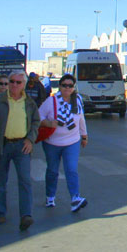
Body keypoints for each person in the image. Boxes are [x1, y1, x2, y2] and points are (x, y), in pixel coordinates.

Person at [0, 70, 40, 231]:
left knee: (25, 180)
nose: (14, 85)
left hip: (22, 145)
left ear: (24, 85)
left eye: (18, 82)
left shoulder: (29, 102)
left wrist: (30, 139)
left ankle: (26, 215)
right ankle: (0, 212)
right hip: (1, 145)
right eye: (11, 81)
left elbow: (36, 121)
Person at [37, 73, 88, 212]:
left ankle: (75, 198)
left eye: (70, 86)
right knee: (53, 171)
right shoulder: (51, 101)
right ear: (59, 86)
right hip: (52, 143)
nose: (67, 88)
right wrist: (48, 122)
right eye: (64, 85)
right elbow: (38, 115)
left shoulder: (77, 100)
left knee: (71, 170)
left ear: (73, 87)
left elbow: (81, 118)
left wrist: (84, 135)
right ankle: (50, 197)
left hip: (72, 141)